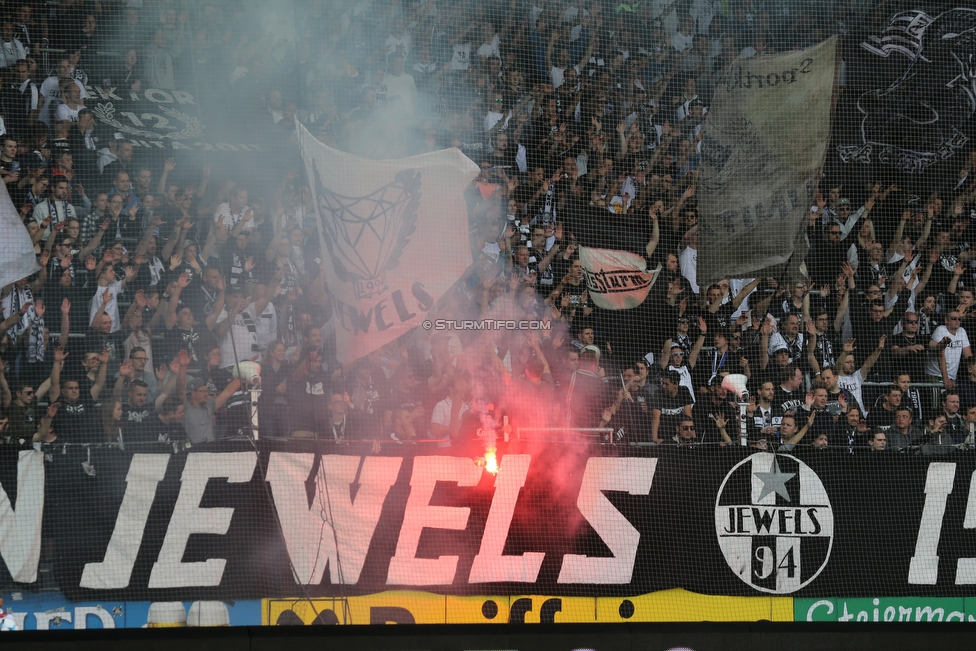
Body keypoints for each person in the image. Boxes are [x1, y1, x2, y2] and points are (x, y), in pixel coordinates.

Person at [927, 310, 972, 388]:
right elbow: (940, 356)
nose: (957, 321)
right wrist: (946, 379)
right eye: (954, 318)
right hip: (936, 375)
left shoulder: (962, 331)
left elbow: (968, 355)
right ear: (946, 320)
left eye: (959, 319)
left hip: (952, 377)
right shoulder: (940, 330)